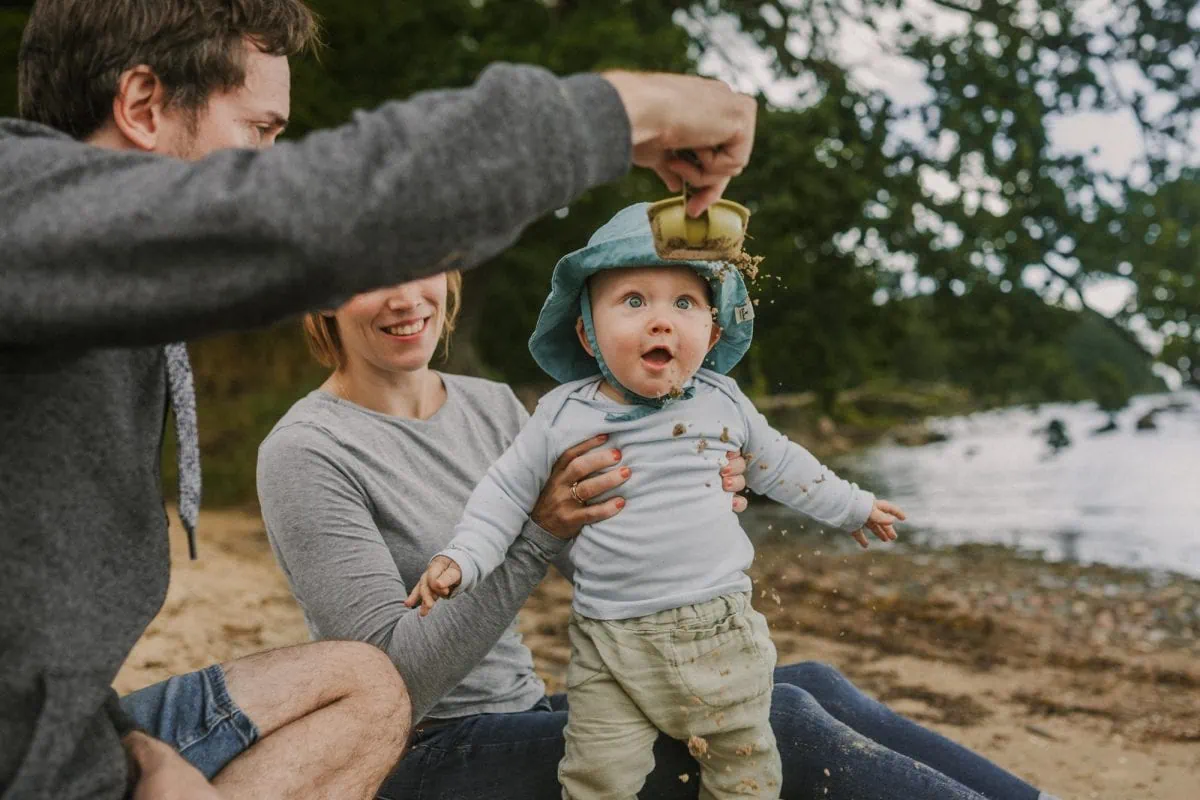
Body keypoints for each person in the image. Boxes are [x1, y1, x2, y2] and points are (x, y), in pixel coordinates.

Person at [0, 0, 761, 796]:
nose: (272, 163)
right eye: (261, 134)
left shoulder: (89, 306)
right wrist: (623, 110)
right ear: (144, 107)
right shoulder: (16, 209)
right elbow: (317, 216)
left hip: (70, 735)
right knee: (783, 736)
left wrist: (129, 745)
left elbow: (44, 637)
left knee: (361, 684)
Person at [257, 276, 1058, 799]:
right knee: (790, 728)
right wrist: (537, 535)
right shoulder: (308, 451)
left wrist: (688, 492)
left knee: (809, 683)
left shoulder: (490, 403)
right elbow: (390, 684)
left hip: (524, 711)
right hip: (417, 758)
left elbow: (596, 547)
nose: (403, 299)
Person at [407, 203, 906, 799]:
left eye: (685, 304)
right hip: (608, 642)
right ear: (587, 332)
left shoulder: (723, 401)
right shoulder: (562, 415)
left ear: (713, 332)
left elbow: (782, 464)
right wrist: (462, 558)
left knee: (745, 766)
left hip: (718, 625)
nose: (661, 322)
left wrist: (853, 507)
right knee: (598, 776)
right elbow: (504, 494)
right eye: (634, 301)